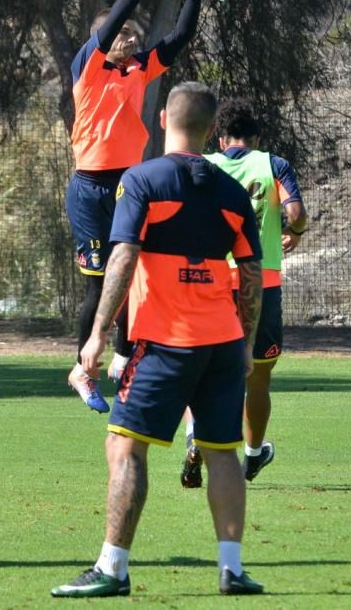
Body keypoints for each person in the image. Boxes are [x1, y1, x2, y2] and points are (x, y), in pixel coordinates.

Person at [51, 82, 264, 598]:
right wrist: (245, 343)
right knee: (222, 451)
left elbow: (122, 258)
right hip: (222, 343)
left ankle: (112, 568)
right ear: (211, 129)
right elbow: (252, 273)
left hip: (165, 341)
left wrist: (98, 335)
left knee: (124, 447)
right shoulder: (231, 192)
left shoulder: (141, 180)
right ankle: (231, 569)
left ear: (164, 116)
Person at [66, 0, 211, 414]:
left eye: (134, 36)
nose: (132, 40)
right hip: (89, 188)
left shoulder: (137, 70)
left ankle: (124, 356)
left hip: (128, 183)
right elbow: (108, 31)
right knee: (95, 282)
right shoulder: (89, 67)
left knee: (129, 274)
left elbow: (179, 39)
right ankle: (82, 370)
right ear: (103, 41)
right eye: (124, 35)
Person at [181, 97, 307, 487]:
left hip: (210, 281)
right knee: (258, 379)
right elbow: (297, 213)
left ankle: (193, 439)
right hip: (261, 284)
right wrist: (295, 234)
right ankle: (252, 457)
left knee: (200, 370)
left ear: (221, 140)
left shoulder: (204, 165)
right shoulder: (273, 164)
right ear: (255, 138)